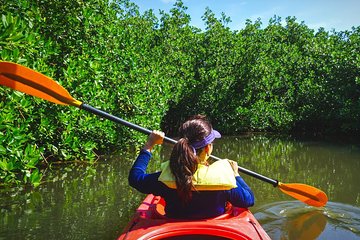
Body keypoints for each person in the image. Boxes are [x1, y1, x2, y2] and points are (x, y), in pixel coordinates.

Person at [128, 115, 254, 219]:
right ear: (208, 148)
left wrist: (149, 145)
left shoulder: (163, 179)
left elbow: (135, 178)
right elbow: (249, 200)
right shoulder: (224, 180)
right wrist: (235, 175)